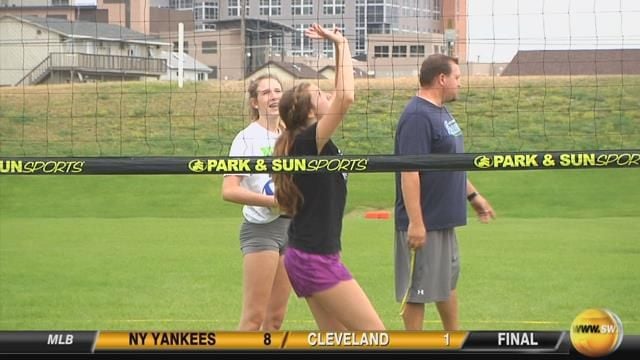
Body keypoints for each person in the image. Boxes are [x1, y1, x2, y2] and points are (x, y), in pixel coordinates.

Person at [273, 24, 385, 331]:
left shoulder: (307, 141)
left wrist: (338, 46)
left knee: (335, 339)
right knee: (378, 337)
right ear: (310, 113)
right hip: (313, 258)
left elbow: (339, 95)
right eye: (320, 95)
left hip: (309, 253)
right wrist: (343, 43)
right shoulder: (309, 141)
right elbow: (346, 97)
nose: (327, 96)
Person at [394, 54, 496, 331]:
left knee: (446, 284)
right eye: (457, 78)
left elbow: (449, 162)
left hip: (444, 220)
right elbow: (409, 172)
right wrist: (416, 222)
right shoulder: (417, 116)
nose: (460, 84)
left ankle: (454, 340)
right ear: (442, 79)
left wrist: (473, 196)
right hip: (424, 222)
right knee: (418, 293)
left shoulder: (441, 111)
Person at [222, 75, 291, 331]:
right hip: (262, 230)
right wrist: (271, 200)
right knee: (254, 319)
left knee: (275, 320)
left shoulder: (291, 135)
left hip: (292, 229)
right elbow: (229, 190)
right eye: (265, 93)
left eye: (277, 91)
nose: (273, 96)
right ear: (254, 102)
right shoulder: (246, 139)